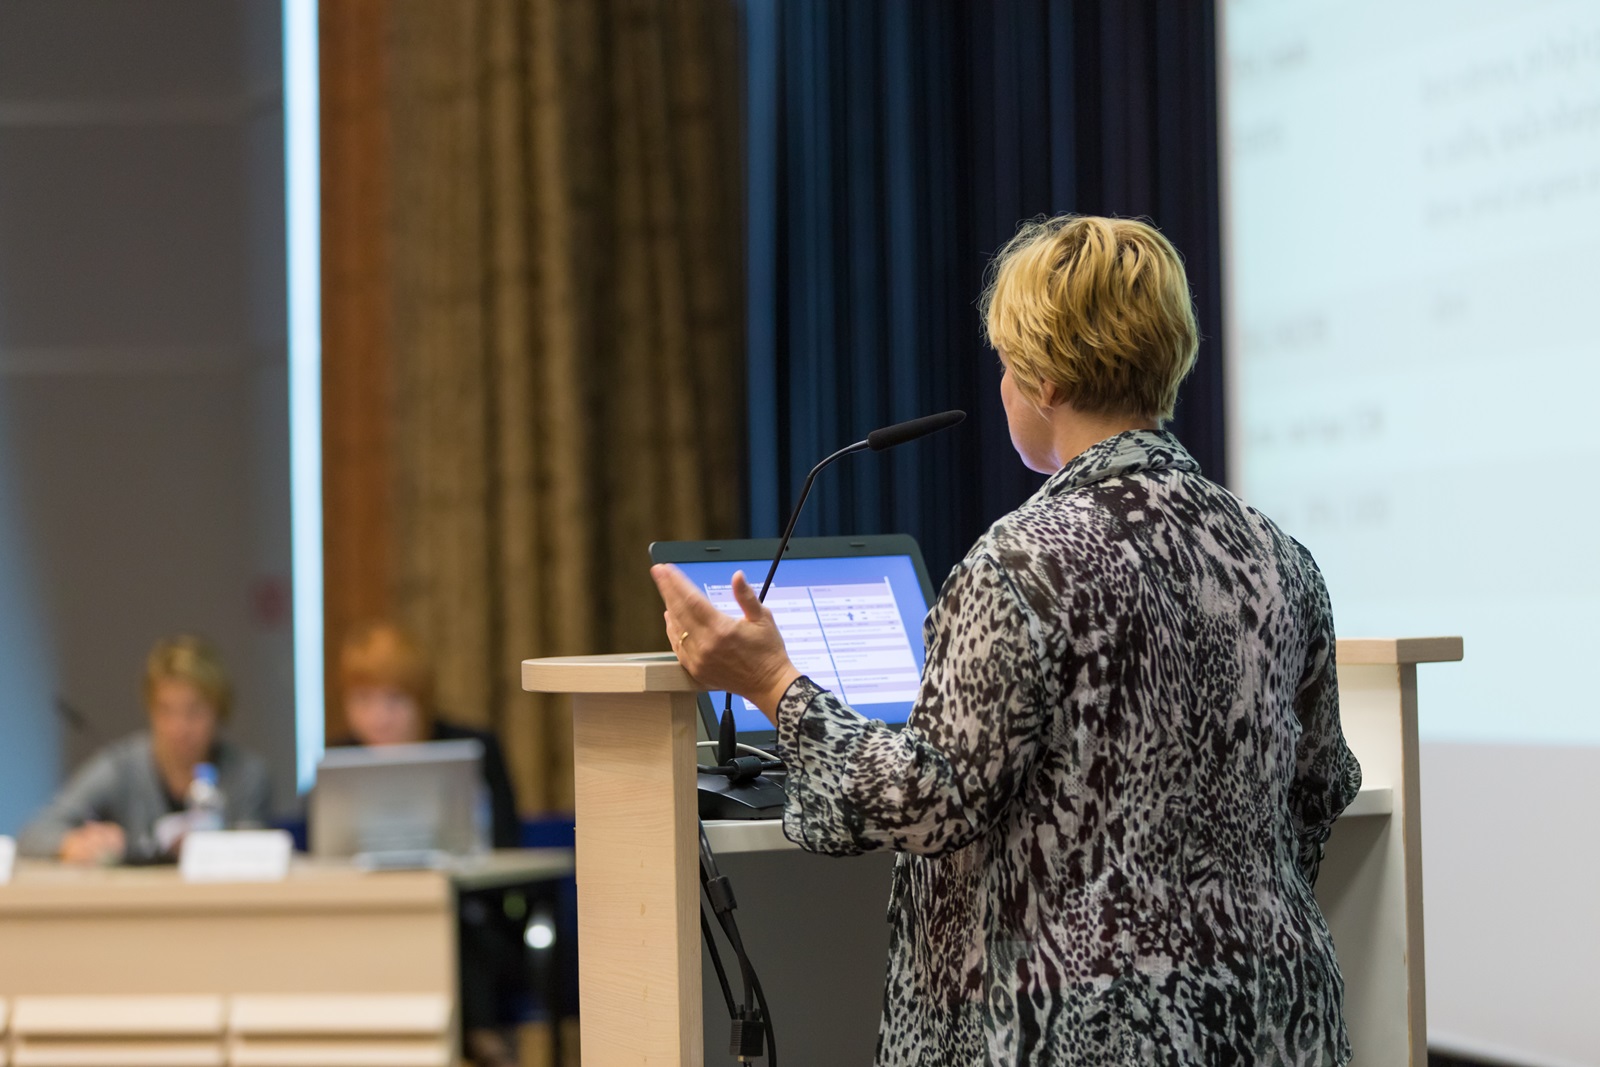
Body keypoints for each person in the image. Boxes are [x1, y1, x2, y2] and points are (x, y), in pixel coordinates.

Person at [653, 215, 1362, 1066]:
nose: (1002, 385)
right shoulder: (1279, 554)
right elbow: (1322, 786)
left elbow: (926, 800)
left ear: (1046, 379)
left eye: (1005, 362)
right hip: (1277, 1018)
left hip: (1083, 1032)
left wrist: (771, 682)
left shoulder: (1023, 561)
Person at [333, 622, 524, 1067]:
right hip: (371, 922)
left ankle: (479, 1039)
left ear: (420, 700)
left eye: (393, 700)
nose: (378, 717)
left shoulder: (471, 748)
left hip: (474, 921)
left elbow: (505, 844)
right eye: (362, 701)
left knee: (447, 924)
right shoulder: (340, 762)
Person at [19, 635, 272, 864]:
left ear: (220, 710)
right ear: (150, 710)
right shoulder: (121, 767)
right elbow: (34, 833)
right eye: (166, 711)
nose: (179, 728)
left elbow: (259, 855)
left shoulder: (248, 776)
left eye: (194, 711)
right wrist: (73, 843)